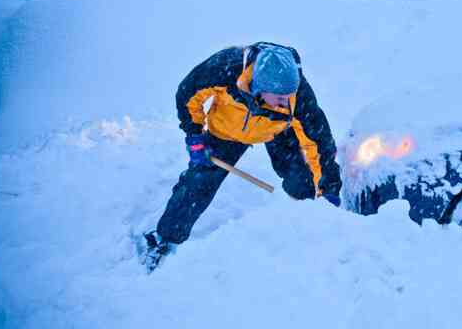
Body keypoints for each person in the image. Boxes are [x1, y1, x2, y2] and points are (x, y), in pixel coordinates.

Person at [143, 42, 342, 269]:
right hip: (225, 131)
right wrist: (195, 135)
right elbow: (188, 94)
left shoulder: (299, 96)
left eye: (290, 96)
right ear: (259, 87)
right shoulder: (225, 67)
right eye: (280, 98)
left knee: (302, 179)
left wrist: (329, 190)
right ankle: (164, 238)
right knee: (198, 184)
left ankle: (313, 227)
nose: (287, 102)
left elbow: (320, 145)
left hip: (276, 131)